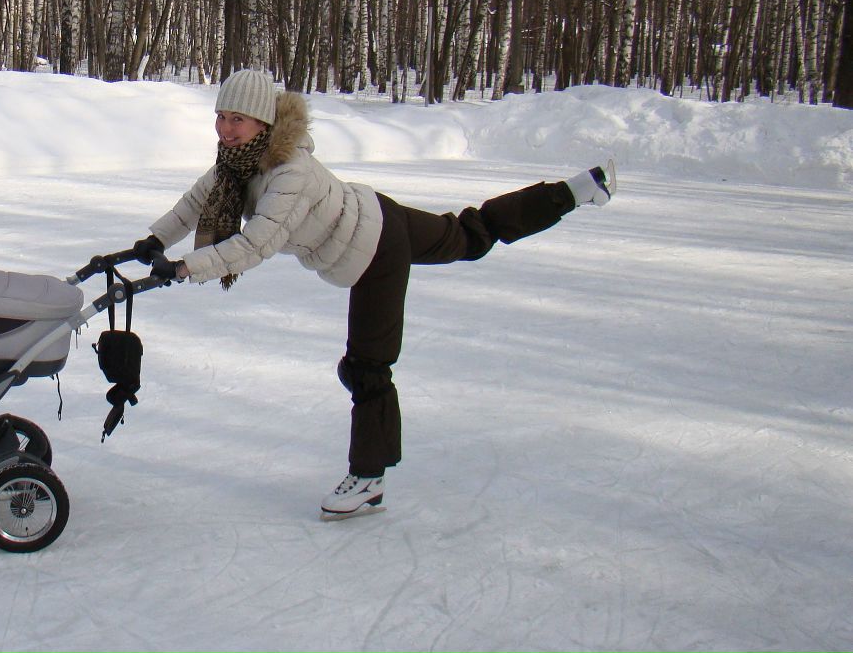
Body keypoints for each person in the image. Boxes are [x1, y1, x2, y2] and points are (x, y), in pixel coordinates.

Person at [135, 68, 616, 521]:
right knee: (470, 233)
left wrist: (184, 267)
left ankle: (368, 477)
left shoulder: (290, 171)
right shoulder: (237, 164)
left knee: (366, 368)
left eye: (236, 119)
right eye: (220, 117)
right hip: (380, 214)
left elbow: (258, 241)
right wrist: (155, 240)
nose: (225, 128)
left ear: (262, 120)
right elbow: (196, 202)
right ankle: (576, 192)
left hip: (374, 252)